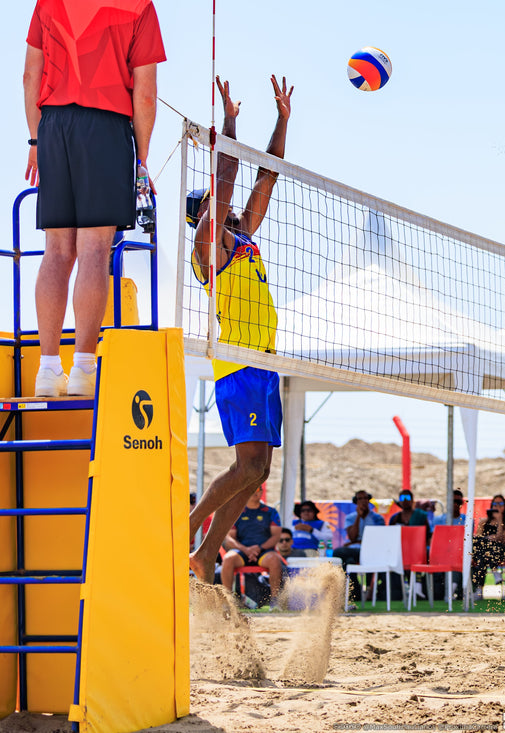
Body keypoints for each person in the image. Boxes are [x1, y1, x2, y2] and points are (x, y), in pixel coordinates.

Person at [25, 0, 165, 397]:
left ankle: (48, 370)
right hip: (105, 127)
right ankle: (84, 368)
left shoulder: (48, 2)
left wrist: (37, 140)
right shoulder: (139, 7)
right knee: (94, 250)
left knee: (56, 251)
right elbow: (147, 93)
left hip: (53, 125)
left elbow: (29, 76)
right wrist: (140, 159)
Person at [187, 74, 294, 585]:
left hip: (264, 363)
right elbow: (226, 179)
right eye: (215, 205)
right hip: (240, 364)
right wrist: (228, 124)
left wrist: (282, 119)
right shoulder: (209, 249)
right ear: (204, 215)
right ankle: (185, 529)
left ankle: (205, 553)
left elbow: (265, 177)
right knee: (249, 466)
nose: (227, 206)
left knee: (258, 473)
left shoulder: (243, 237)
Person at [220, 487, 284, 603]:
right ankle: (228, 601)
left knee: (275, 560)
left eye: (258, 489)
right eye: (252, 489)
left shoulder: (270, 512)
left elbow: (276, 536)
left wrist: (259, 548)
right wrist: (246, 549)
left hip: (264, 551)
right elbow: (229, 538)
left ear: (261, 492)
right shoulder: (236, 512)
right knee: (228, 559)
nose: (255, 492)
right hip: (242, 550)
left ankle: (275, 601)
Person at [333, 490, 386, 602]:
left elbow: (378, 539)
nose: (363, 501)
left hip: (372, 551)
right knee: (345, 558)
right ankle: (355, 590)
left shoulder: (377, 518)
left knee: (346, 556)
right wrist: (358, 516)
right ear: (356, 502)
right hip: (355, 551)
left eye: (365, 498)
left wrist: (356, 542)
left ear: (369, 500)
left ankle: (359, 592)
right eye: (360, 499)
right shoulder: (351, 518)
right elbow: (352, 536)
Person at [470, 494, 505, 600]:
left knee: (484, 551)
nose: (497, 507)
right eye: (495, 504)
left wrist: (499, 521)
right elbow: (478, 537)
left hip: (498, 551)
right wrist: (488, 538)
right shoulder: (484, 521)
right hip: (483, 551)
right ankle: (494, 571)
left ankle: (479, 589)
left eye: (500, 504)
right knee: (481, 549)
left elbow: (502, 539)